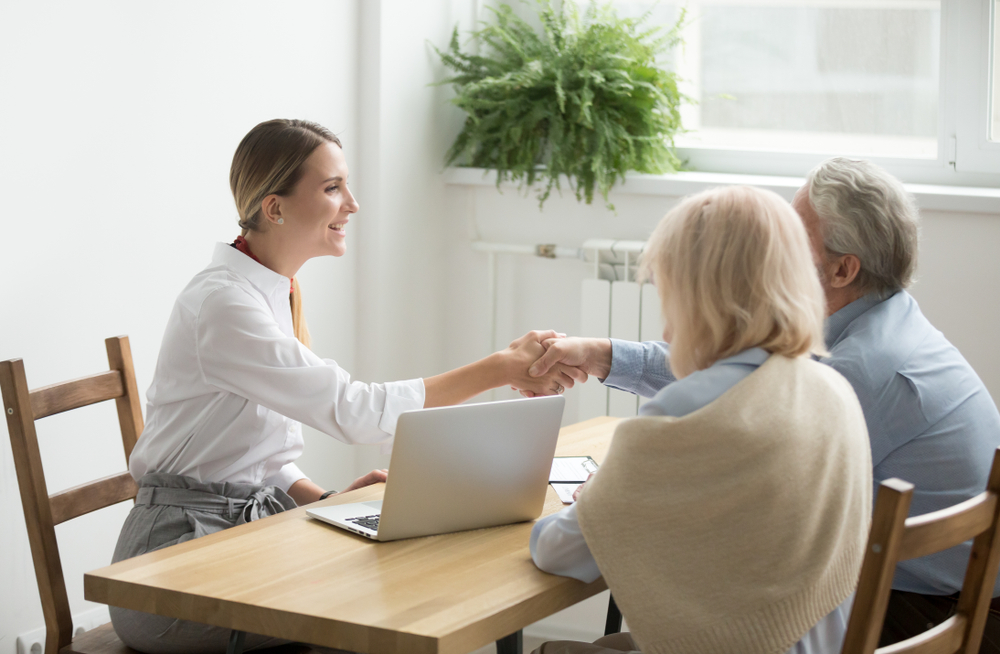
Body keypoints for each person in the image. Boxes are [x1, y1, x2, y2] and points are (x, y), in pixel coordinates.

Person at [110, 119, 582, 654]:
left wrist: (325, 498)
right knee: (384, 613)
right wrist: (499, 368)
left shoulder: (267, 292)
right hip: (175, 565)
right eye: (333, 187)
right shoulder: (225, 306)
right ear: (275, 207)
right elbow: (354, 412)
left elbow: (247, 452)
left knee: (404, 586)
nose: (352, 204)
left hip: (239, 535)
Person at [529, 158, 1000, 651]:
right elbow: (742, 378)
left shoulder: (851, 371)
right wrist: (607, 357)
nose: (778, 251)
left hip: (915, 611)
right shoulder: (880, 335)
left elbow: (731, 398)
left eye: (796, 238)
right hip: (913, 599)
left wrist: (617, 501)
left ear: (843, 269)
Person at [529, 185, 873, 654]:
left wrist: (593, 501)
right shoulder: (832, 390)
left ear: (697, 296)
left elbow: (558, 554)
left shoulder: (681, 418)